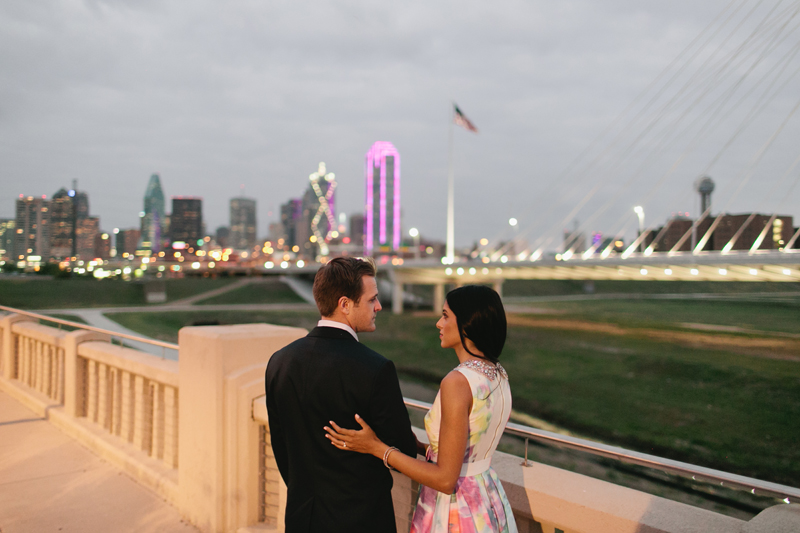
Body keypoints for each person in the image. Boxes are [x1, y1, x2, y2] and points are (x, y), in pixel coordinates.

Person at [326, 284, 518, 532]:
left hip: (456, 509)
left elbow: (446, 479)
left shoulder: (457, 383)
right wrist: (420, 447)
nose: (439, 323)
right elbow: (469, 448)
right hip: (487, 497)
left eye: (446, 316)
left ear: (468, 324)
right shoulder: (498, 373)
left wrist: (377, 448)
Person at [265, 257, 418, 533]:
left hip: (302, 518)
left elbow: (282, 448)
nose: (379, 306)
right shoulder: (376, 368)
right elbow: (404, 453)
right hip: (363, 521)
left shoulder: (279, 361)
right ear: (345, 304)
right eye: (372, 299)